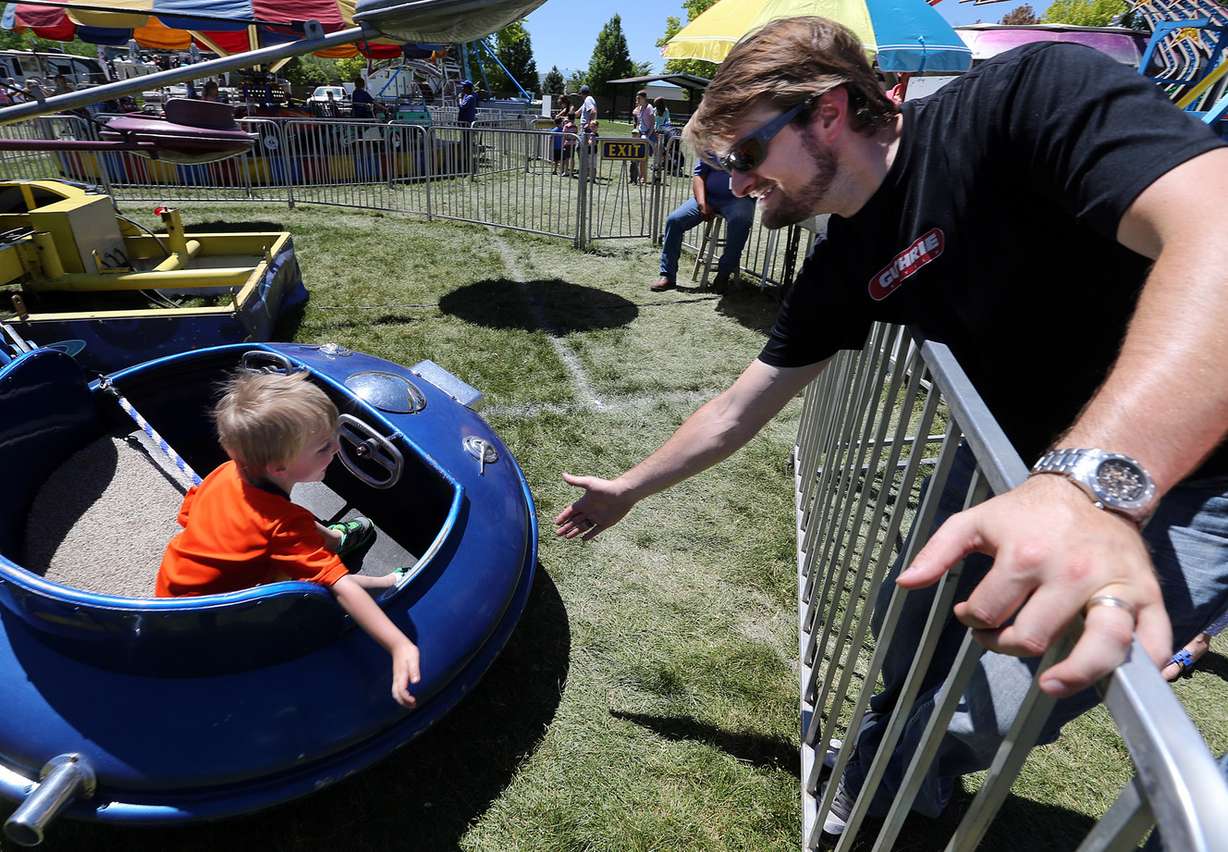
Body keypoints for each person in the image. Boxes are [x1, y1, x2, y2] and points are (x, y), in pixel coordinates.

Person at [554, 15, 1228, 837]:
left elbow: (1219, 226)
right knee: (906, 629)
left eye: (744, 156)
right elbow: (738, 409)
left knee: (1000, 701)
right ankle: (881, 760)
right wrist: (628, 488)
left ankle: (906, 782)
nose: (734, 184)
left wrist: (1095, 480)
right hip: (1015, 459)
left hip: (1196, 476)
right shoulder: (845, 257)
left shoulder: (1022, 97)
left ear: (827, 112)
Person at [157, 370, 422, 710]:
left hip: (174, 582)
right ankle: (387, 580)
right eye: (324, 446)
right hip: (208, 615)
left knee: (290, 531)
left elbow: (190, 515)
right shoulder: (281, 525)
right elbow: (339, 586)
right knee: (312, 592)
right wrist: (398, 645)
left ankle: (332, 539)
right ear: (280, 469)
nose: (337, 448)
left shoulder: (226, 472)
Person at [651, 158, 756, 293]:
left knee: (741, 221)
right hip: (708, 197)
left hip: (738, 200)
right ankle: (667, 275)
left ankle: (723, 276)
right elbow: (699, 175)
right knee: (674, 220)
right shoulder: (712, 145)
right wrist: (702, 203)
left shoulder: (752, 144)